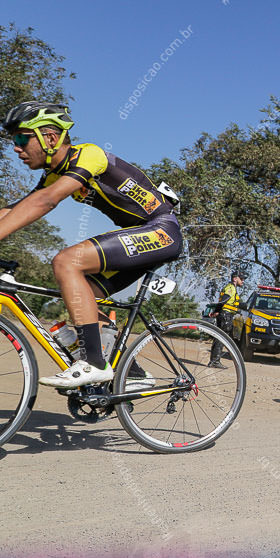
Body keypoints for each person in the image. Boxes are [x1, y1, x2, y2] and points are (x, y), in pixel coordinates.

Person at [2, 102, 181, 387]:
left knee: (66, 261)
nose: (16, 147)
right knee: (79, 298)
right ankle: (132, 374)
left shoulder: (90, 155)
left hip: (160, 231)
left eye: (22, 138)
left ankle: (94, 363)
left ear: (50, 138)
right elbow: (15, 210)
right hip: (139, 236)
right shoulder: (54, 174)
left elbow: (46, 201)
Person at [208, 270, 244, 368]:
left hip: (225, 314)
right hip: (225, 316)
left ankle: (214, 361)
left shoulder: (232, 288)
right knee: (221, 338)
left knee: (219, 337)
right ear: (235, 279)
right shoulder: (231, 288)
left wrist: (217, 311)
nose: (243, 281)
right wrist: (217, 310)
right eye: (242, 278)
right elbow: (224, 300)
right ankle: (215, 361)